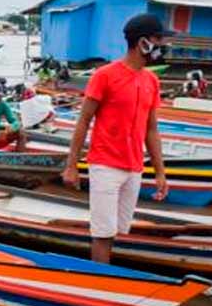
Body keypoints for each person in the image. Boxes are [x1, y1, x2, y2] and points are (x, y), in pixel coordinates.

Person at [62, 13, 170, 263]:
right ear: (143, 43)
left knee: (119, 230)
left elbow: (151, 129)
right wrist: (71, 167)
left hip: (134, 166)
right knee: (102, 233)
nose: (162, 46)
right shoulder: (105, 75)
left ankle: (106, 277)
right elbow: (84, 121)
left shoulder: (151, 80)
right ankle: (97, 284)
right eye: (158, 39)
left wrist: (160, 172)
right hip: (105, 163)